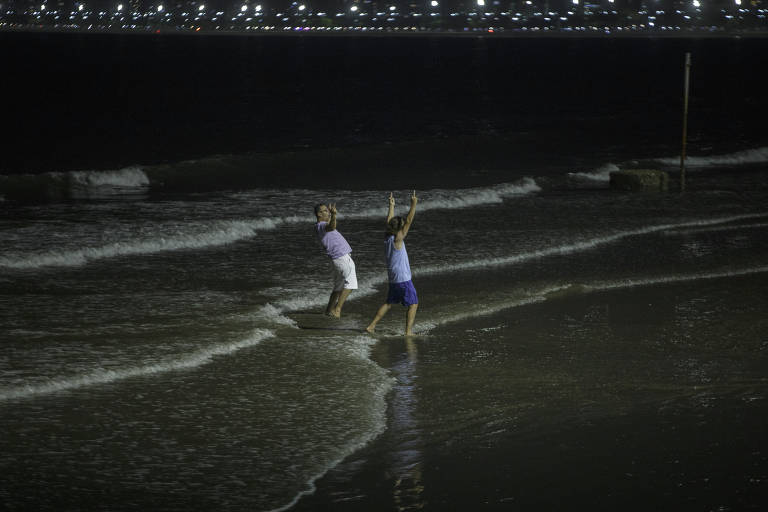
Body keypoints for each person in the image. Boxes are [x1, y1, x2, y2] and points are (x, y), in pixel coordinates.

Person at [366, 190, 419, 336]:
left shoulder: (388, 237)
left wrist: (391, 206)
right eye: (402, 227)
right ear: (400, 230)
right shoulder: (398, 239)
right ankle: (408, 332)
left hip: (393, 278)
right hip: (403, 278)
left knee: (389, 303)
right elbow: (408, 221)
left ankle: (371, 326)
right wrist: (413, 205)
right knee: (413, 304)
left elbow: (390, 223)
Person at [314, 202, 358, 318]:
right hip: (342, 258)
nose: (327, 212)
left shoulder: (320, 226)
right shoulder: (322, 225)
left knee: (338, 287)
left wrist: (330, 215)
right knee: (351, 285)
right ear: (319, 214)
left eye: (327, 210)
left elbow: (331, 226)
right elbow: (331, 227)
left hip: (337, 259)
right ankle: (337, 309)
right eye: (325, 211)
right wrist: (333, 215)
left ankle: (329, 310)